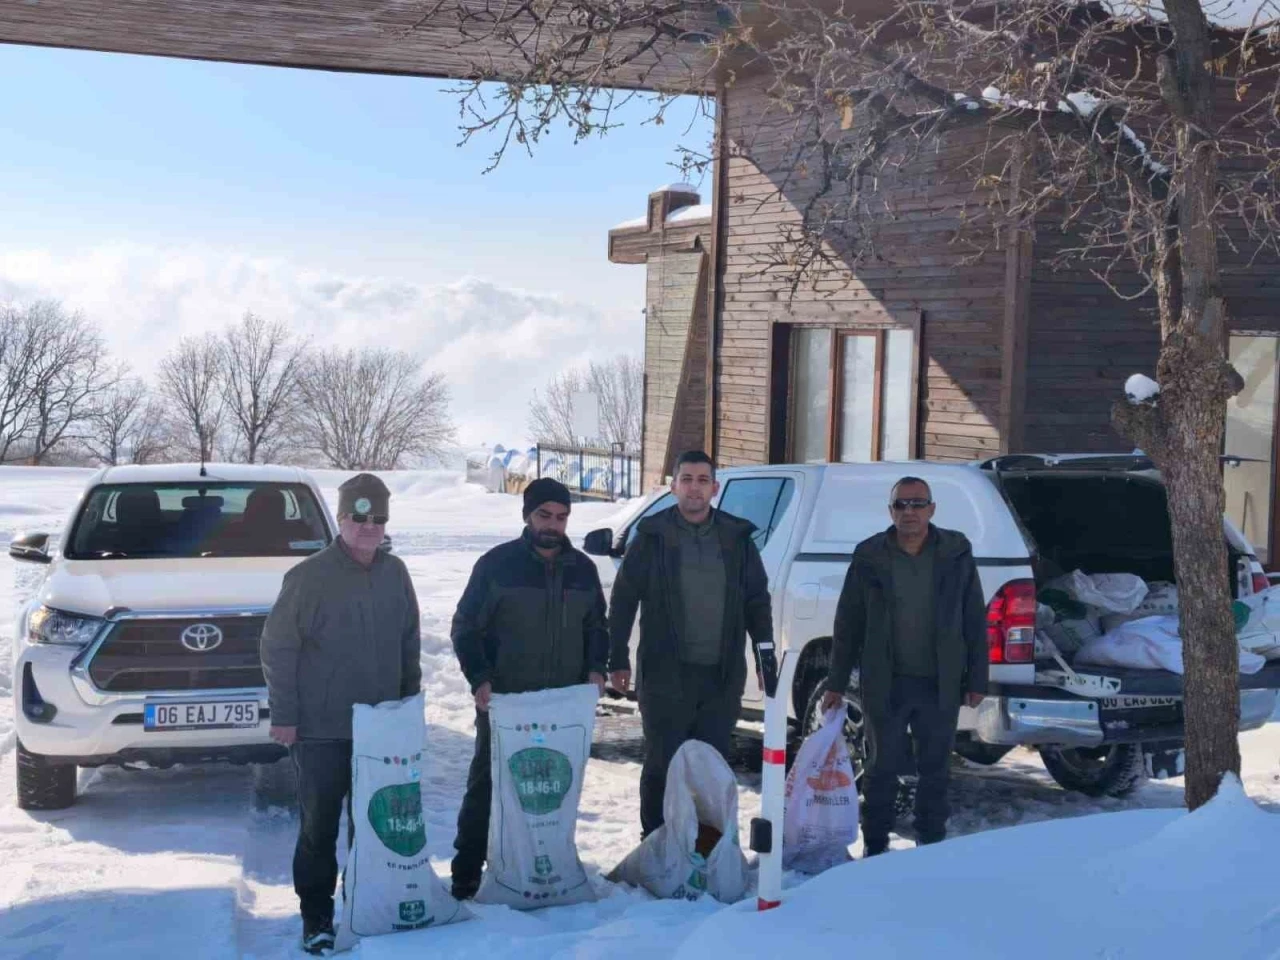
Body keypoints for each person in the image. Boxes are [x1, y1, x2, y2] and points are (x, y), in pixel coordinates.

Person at [260, 473, 422, 955]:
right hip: (322, 729)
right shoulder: (309, 576)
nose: (369, 528)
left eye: (379, 519)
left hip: (380, 728)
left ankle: (363, 902)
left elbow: (408, 643)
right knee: (319, 827)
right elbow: (277, 646)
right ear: (342, 518)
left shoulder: (396, 573)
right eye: (359, 518)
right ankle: (317, 916)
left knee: (373, 825)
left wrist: (407, 708)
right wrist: (285, 715)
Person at [449, 477, 609, 900]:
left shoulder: (583, 570)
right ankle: (467, 869)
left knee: (553, 784)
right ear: (527, 515)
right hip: (507, 700)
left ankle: (546, 862)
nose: (553, 525)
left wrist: (596, 667)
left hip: (562, 704)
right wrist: (480, 677)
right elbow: (465, 626)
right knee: (488, 782)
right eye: (544, 515)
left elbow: (597, 625)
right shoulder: (496, 566)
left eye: (561, 517)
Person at [607, 450, 776, 838]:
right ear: (673, 486)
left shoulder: (736, 538)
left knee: (710, 764)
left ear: (715, 488)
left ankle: (704, 845)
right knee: (663, 763)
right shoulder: (652, 536)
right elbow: (623, 599)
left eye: (703, 480)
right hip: (666, 675)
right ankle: (656, 842)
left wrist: (765, 658)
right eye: (687, 479)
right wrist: (617, 657)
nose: (695, 488)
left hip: (720, 676)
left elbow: (757, 601)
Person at [821, 476, 987, 857]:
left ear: (932, 509)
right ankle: (875, 848)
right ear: (890, 511)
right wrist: (836, 681)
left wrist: (977, 676)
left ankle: (930, 848)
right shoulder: (870, 555)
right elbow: (848, 623)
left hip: (939, 682)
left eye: (917, 503)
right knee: (881, 768)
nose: (909, 512)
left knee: (936, 770)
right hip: (887, 682)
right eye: (901, 505)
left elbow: (973, 617)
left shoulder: (956, 552)